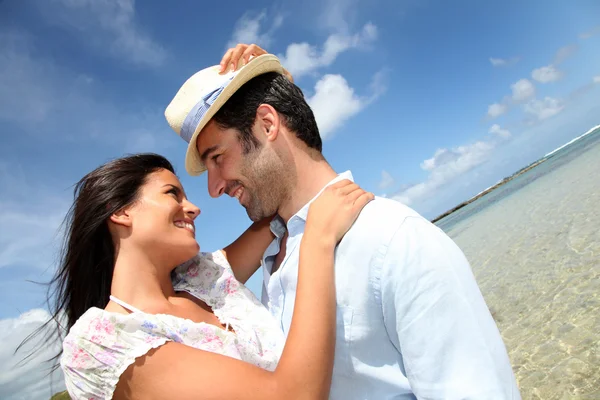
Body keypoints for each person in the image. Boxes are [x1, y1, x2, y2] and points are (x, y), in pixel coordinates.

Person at [164, 44, 522, 399]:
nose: (213, 188)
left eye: (217, 157)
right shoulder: (274, 258)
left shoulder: (393, 240)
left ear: (268, 124)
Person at [49, 153, 372, 399]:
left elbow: (287, 192)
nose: (193, 207)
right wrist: (318, 242)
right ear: (120, 211)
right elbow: (292, 395)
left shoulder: (204, 279)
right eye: (172, 193)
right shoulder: (104, 342)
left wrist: (265, 89)